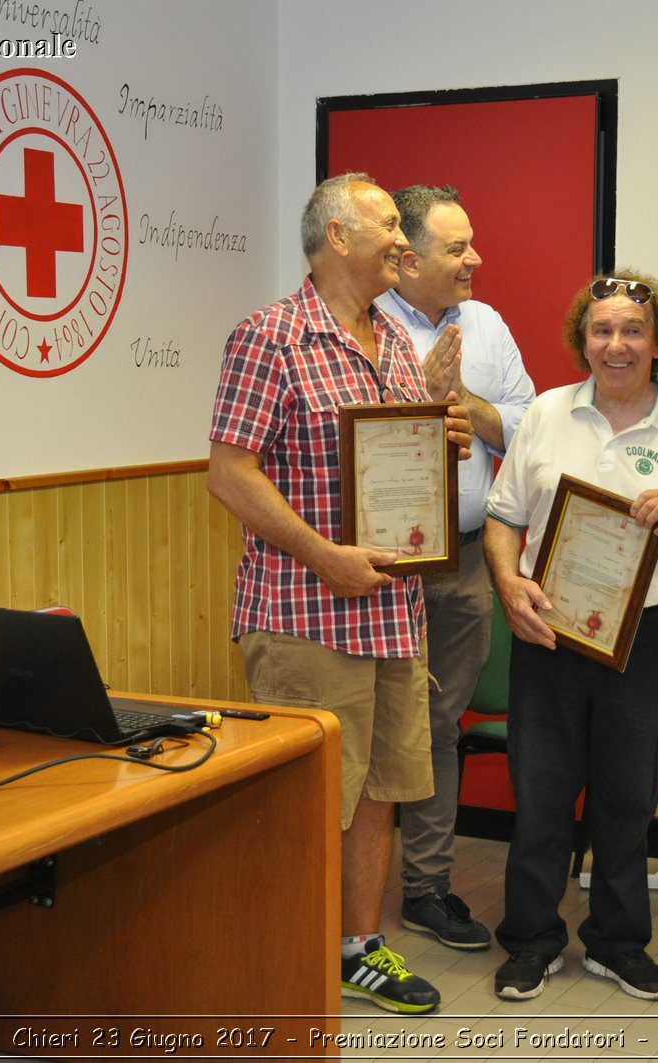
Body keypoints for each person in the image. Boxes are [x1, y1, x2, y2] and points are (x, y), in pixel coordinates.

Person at [207, 173, 472, 1015]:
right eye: (390, 224)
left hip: (393, 610)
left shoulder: (391, 340)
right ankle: (287, 948)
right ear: (337, 239)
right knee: (311, 797)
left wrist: (441, 433)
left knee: (381, 789)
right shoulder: (270, 338)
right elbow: (228, 470)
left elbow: (393, 469)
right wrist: (323, 555)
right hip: (305, 613)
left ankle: (361, 947)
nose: (405, 239)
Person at [484, 269, 658, 1001]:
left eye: (633, 329)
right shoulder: (544, 413)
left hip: (648, 633)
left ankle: (617, 942)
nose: (616, 343)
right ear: (583, 340)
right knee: (540, 790)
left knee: (628, 794)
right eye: (601, 330)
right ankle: (532, 940)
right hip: (547, 628)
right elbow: (505, 516)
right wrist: (510, 583)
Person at [376, 185, 537, 951]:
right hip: (378, 567)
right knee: (368, 723)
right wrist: (419, 402)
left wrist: (461, 399)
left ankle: (427, 890)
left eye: (471, 243)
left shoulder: (487, 324)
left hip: (466, 559)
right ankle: (340, 890)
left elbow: (529, 426)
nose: (475, 259)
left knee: (439, 724)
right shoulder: (360, 323)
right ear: (404, 257)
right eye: (456, 248)